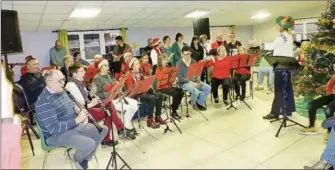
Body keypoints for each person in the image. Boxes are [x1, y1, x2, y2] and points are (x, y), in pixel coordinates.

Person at [35, 69, 108, 169]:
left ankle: (82, 159)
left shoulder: (62, 91)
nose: (63, 83)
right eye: (60, 80)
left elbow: (71, 107)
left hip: (73, 127)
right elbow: (53, 128)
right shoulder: (44, 102)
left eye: (63, 79)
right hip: (55, 135)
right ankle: (78, 159)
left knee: (103, 129)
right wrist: (77, 120)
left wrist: (77, 110)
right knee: (90, 144)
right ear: (49, 82)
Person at [66, 65, 134, 143]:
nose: (84, 73)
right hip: (81, 112)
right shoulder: (71, 85)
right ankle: (116, 131)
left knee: (108, 103)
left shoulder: (79, 83)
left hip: (87, 106)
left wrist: (92, 92)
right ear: (74, 74)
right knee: (107, 111)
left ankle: (117, 131)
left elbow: (86, 98)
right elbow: (79, 106)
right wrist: (92, 103)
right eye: (81, 71)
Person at [263, 16, 296, 120]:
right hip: (287, 66)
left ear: (282, 26)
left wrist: (261, 44)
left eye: (277, 24)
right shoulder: (289, 36)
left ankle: (275, 113)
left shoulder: (282, 37)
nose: (276, 26)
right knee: (287, 89)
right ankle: (287, 110)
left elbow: (270, 47)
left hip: (280, 67)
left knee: (279, 91)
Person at [92, 58, 138, 133]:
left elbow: (116, 86)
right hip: (108, 101)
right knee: (126, 107)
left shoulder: (109, 75)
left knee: (135, 104)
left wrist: (118, 87)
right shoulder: (97, 78)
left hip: (116, 98)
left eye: (108, 65)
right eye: (105, 66)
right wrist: (112, 92)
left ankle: (126, 124)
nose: (108, 67)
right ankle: (125, 128)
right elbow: (98, 94)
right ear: (100, 67)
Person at [125, 57, 165, 128]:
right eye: (136, 64)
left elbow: (144, 82)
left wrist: (148, 84)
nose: (139, 65)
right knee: (152, 98)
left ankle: (157, 116)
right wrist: (139, 86)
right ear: (132, 66)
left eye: (138, 64)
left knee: (159, 94)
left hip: (143, 92)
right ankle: (150, 120)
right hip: (136, 96)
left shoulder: (139, 73)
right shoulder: (129, 75)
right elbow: (130, 91)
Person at [177, 46, 211, 111]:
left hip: (195, 81)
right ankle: (193, 103)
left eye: (188, 54)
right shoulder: (179, 63)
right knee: (195, 90)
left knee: (208, 88)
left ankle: (199, 102)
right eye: (185, 54)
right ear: (182, 54)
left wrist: (198, 81)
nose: (187, 56)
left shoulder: (194, 61)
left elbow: (197, 73)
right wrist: (191, 83)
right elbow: (180, 78)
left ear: (190, 53)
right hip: (185, 83)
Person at [155, 54, 184, 119]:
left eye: (166, 59)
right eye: (164, 60)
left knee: (181, 91)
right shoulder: (158, 69)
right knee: (176, 94)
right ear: (160, 61)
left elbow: (170, 78)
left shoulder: (168, 67)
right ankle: (173, 112)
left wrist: (173, 80)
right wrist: (165, 72)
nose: (166, 61)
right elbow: (161, 81)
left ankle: (174, 106)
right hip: (161, 88)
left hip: (168, 86)